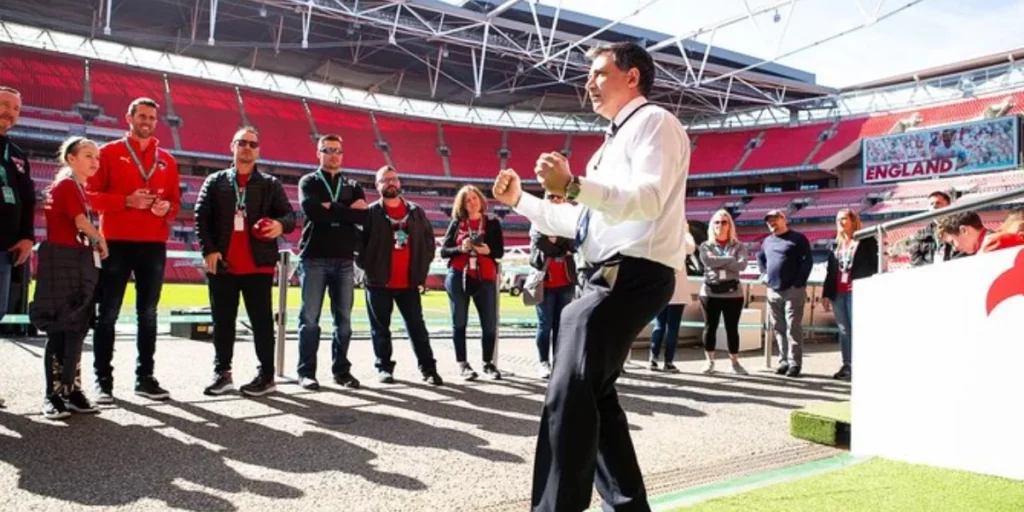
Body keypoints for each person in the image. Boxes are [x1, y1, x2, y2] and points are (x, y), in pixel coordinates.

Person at [493, 41, 690, 512]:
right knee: (594, 394)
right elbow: (580, 224)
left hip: (633, 271)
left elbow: (648, 199)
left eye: (600, 73)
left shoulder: (654, 122)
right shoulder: (610, 143)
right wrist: (521, 200)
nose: (589, 82)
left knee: (570, 385)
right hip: (609, 273)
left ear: (633, 76)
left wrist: (574, 185)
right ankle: (626, 505)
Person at [87, 97, 181, 403]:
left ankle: (145, 378)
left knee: (149, 314)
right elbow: (91, 195)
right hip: (115, 242)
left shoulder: (167, 159)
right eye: (142, 115)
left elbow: (176, 202)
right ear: (128, 117)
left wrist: (166, 208)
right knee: (108, 313)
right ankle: (103, 380)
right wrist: (126, 201)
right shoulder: (109, 152)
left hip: (153, 245)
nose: (147, 121)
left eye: (152, 117)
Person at [195, 126, 295, 397]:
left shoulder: (270, 184)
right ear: (233, 146)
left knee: (262, 323)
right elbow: (200, 217)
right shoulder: (215, 182)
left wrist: (279, 225)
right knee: (223, 321)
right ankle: (223, 374)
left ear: (258, 150)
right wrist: (209, 250)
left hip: (258, 265)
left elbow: (290, 216)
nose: (247, 147)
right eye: (242, 142)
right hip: (223, 264)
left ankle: (266, 376)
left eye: (252, 143)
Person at [30, 137, 108, 420]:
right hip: (63, 261)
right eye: (88, 155)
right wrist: (100, 239)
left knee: (77, 326)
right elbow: (80, 223)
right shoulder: (66, 185)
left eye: (97, 157)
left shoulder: (79, 188)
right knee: (61, 326)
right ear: (70, 158)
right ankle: (53, 394)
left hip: (78, 261)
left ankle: (72, 389)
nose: (94, 162)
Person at [358, 166, 443, 385]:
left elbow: (428, 242)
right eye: (384, 180)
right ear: (377, 186)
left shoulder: (416, 212)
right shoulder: (371, 213)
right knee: (380, 329)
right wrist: (369, 267)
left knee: (417, 328)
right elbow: (358, 246)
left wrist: (421, 270)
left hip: (409, 283)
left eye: (393, 179)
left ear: (400, 183)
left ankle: (428, 369)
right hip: (379, 283)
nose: (390, 183)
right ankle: (384, 368)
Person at [295, 134, 368, 390]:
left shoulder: (353, 184)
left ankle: (341, 371)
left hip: (345, 260)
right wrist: (346, 209)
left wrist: (332, 207)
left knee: (344, 320)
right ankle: (306, 372)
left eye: (337, 150)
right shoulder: (309, 181)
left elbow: (363, 217)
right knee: (310, 319)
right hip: (314, 258)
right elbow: (313, 212)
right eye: (328, 150)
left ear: (342, 154)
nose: (333, 154)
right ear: (319, 153)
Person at [440, 185, 505, 381]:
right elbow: (444, 251)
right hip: (459, 275)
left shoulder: (492, 222)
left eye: (474, 198)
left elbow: (499, 252)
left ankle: (488, 363)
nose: (472, 202)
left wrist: (487, 250)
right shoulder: (457, 223)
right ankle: (463, 364)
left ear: (480, 200)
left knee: (489, 324)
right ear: (462, 204)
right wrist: (461, 247)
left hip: (485, 276)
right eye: (467, 200)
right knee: (459, 322)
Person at [0, 86, 34, 409]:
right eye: (4, 105)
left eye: (15, 109)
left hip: (4, 252)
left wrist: (27, 236)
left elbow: (27, 200)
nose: (9, 113)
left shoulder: (18, 156)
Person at [821, 209, 878, 381]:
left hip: (858, 291)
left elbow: (875, 264)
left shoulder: (866, 240)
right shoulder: (835, 245)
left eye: (844, 219)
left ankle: (863, 365)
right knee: (844, 331)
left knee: (859, 329)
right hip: (838, 292)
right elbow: (830, 271)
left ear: (854, 221)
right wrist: (825, 294)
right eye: (838, 219)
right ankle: (847, 365)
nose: (841, 222)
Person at [757, 209, 812, 378]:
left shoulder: (798, 238)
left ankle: (795, 363)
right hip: (773, 290)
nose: (771, 223)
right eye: (768, 221)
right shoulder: (767, 241)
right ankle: (783, 361)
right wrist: (764, 274)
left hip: (793, 290)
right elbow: (761, 259)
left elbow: (807, 261)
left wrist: (798, 283)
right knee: (779, 328)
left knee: (793, 327)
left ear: (783, 219)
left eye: (774, 219)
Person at [529, 192, 576, 380]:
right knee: (544, 324)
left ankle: (559, 362)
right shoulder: (537, 222)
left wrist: (558, 245)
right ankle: (543, 362)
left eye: (559, 197)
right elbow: (541, 245)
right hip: (544, 281)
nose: (555, 200)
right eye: (551, 197)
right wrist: (561, 248)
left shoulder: (570, 220)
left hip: (566, 281)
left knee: (561, 325)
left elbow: (573, 245)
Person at [697, 209, 749, 375]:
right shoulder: (705, 245)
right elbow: (708, 262)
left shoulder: (739, 245)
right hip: (710, 291)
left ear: (730, 225)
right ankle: (709, 361)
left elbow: (742, 266)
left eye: (724, 222)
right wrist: (730, 260)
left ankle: (734, 363)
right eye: (717, 222)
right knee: (709, 327)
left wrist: (719, 262)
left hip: (733, 292)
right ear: (712, 225)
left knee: (732, 328)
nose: (720, 225)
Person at [649, 225, 696, 373]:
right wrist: (686, 231)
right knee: (672, 328)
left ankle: (653, 358)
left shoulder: (658, 238)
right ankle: (668, 361)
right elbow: (691, 248)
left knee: (659, 325)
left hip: (661, 288)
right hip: (676, 289)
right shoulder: (680, 239)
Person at [908, 191, 958, 266]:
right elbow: (915, 259)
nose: (934, 206)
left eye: (938, 203)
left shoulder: (958, 228)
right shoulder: (921, 234)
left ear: (948, 206)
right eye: (931, 204)